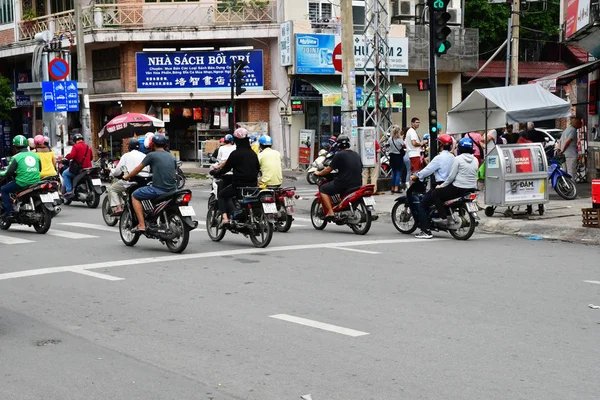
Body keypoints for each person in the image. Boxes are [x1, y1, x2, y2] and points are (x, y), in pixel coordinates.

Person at [123, 134, 177, 233]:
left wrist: (127, 176)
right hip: (173, 189)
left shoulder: (151, 155)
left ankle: (141, 224)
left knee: (135, 195)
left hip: (159, 189)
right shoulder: (171, 156)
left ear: (152, 144)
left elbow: (137, 169)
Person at [410, 134, 455, 239]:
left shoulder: (439, 158)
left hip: (440, 185)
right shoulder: (453, 157)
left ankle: (426, 231)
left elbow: (428, 170)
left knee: (423, 204)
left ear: (440, 145)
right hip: (451, 185)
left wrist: (417, 176)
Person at [214, 127, 260, 227]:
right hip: (253, 185)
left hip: (239, 185)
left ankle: (225, 218)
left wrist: (217, 172)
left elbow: (225, 169)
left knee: (222, 195)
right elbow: (258, 168)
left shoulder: (235, 154)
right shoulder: (253, 154)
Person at [431, 137, 479, 226]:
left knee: (436, 193)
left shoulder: (458, 159)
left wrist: (441, 186)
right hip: (472, 187)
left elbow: (451, 177)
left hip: (458, 188)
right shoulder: (475, 159)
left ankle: (443, 217)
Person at [314, 135, 362, 220]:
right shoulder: (356, 155)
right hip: (358, 183)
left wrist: (319, 173)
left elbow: (328, 169)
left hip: (344, 184)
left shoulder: (339, 155)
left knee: (323, 189)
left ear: (338, 145)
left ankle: (330, 212)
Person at [0, 135, 41, 218]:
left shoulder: (16, 157)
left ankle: (9, 211)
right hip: (36, 181)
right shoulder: (35, 155)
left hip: (22, 182)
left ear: (15, 147)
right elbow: (40, 169)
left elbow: (8, 173)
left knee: (3, 190)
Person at [107, 138, 149, 215]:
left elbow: (117, 171)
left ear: (129, 147)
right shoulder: (144, 155)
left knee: (112, 189)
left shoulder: (126, 156)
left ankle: (118, 208)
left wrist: (112, 172)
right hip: (144, 181)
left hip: (131, 181)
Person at [63, 133, 92, 197]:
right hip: (88, 168)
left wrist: (66, 157)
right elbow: (91, 158)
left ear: (75, 140)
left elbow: (72, 156)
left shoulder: (76, 146)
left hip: (79, 169)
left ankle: (69, 191)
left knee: (65, 174)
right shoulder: (88, 147)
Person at [388, 125, 405, 194]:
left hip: (392, 157)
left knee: (394, 173)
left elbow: (388, 145)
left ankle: (392, 187)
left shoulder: (390, 139)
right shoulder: (400, 140)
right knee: (398, 173)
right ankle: (396, 188)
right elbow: (404, 146)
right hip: (398, 157)